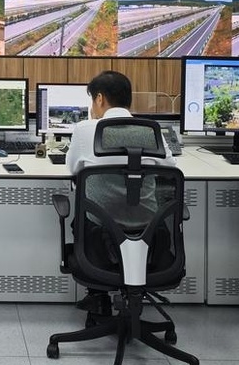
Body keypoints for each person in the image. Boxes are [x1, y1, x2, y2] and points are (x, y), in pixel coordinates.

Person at [65, 71, 177, 316]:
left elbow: (73, 169)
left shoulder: (86, 130)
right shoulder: (150, 131)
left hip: (99, 235)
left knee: (84, 212)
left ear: (100, 98)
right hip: (150, 233)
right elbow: (171, 169)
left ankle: (98, 298)